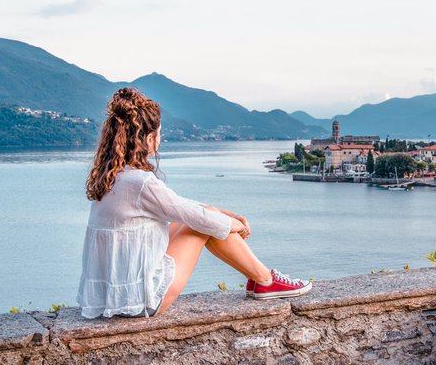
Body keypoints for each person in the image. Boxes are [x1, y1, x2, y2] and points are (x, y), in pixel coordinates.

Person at [78, 87, 309, 318]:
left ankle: (257, 279)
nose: (160, 139)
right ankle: (265, 280)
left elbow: (179, 206)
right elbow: (194, 216)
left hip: (114, 297)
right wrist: (233, 224)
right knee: (203, 224)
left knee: (203, 216)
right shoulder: (141, 182)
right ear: (149, 138)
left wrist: (218, 212)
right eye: (159, 134)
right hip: (141, 301)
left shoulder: (114, 177)